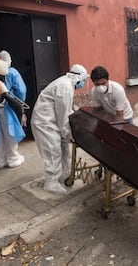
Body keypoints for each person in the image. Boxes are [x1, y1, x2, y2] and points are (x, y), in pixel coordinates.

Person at [31, 64, 88, 195]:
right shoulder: (65, 87)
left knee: (62, 148)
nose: (83, 84)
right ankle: (50, 183)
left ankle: (63, 175)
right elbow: (64, 116)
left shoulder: (65, 83)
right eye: (84, 81)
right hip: (45, 123)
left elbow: (66, 110)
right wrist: (70, 135)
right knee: (53, 151)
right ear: (79, 78)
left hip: (51, 121)